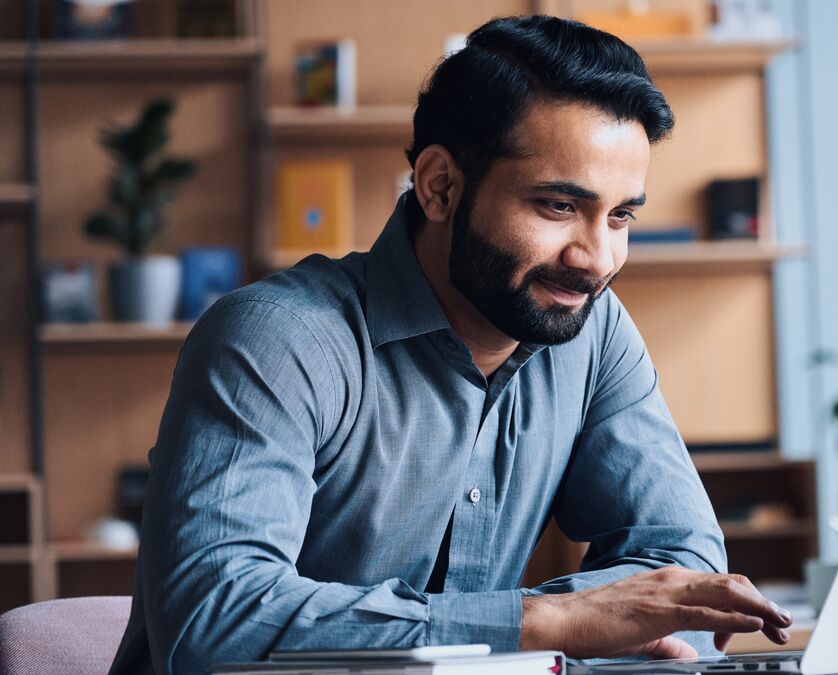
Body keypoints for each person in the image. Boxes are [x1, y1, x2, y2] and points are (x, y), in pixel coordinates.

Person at [109, 15, 792, 675]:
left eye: (619, 216)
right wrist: (543, 623)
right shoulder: (277, 339)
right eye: (557, 206)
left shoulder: (594, 330)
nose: (596, 257)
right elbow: (214, 623)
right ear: (440, 187)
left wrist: (570, 623)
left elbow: (686, 572)